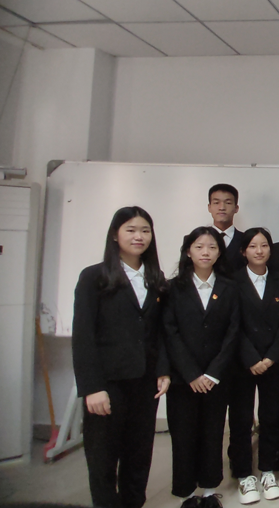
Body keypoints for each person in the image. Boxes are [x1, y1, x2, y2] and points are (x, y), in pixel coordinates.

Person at [72, 207, 170, 508]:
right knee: (103, 458)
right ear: (115, 235)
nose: (139, 236)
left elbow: (160, 332)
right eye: (131, 230)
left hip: (145, 382)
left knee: (139, 455)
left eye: (145, 230)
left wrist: (163, 370)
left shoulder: (155, 278)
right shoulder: (94, 277)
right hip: (108, 383)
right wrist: (92, 387)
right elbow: (83, 336)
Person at [163, 227, 241, 508]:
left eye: (212, 247)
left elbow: (233, 332)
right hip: (183, 379)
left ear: (219, 252)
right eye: (199, 247)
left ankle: (209, 491)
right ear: (188, 252)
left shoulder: (230, 287)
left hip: (216, 378)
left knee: (213, 433)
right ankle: (186, 493)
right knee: (183, 436)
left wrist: (212, 373)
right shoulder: (173, 288)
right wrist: (192, 374)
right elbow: (169, 332)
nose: (205, 252)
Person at [228, 228, 279, 503]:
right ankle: (244, 474)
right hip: (242, 363)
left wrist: (271, 356)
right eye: (253, 246)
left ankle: (267, 470)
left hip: (273, 361)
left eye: (264, 245)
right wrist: (251, 358)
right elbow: (232, 324)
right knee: (241, 420)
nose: (259, 250)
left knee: (271, 417)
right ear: (244, 251)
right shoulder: (232, 281)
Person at [208, 183, 244, 270]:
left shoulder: (247, 241)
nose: (222, 208)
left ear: (236, 208)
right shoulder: (195, 240)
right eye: (216, 203)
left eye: (228, 203)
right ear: (209, 207)